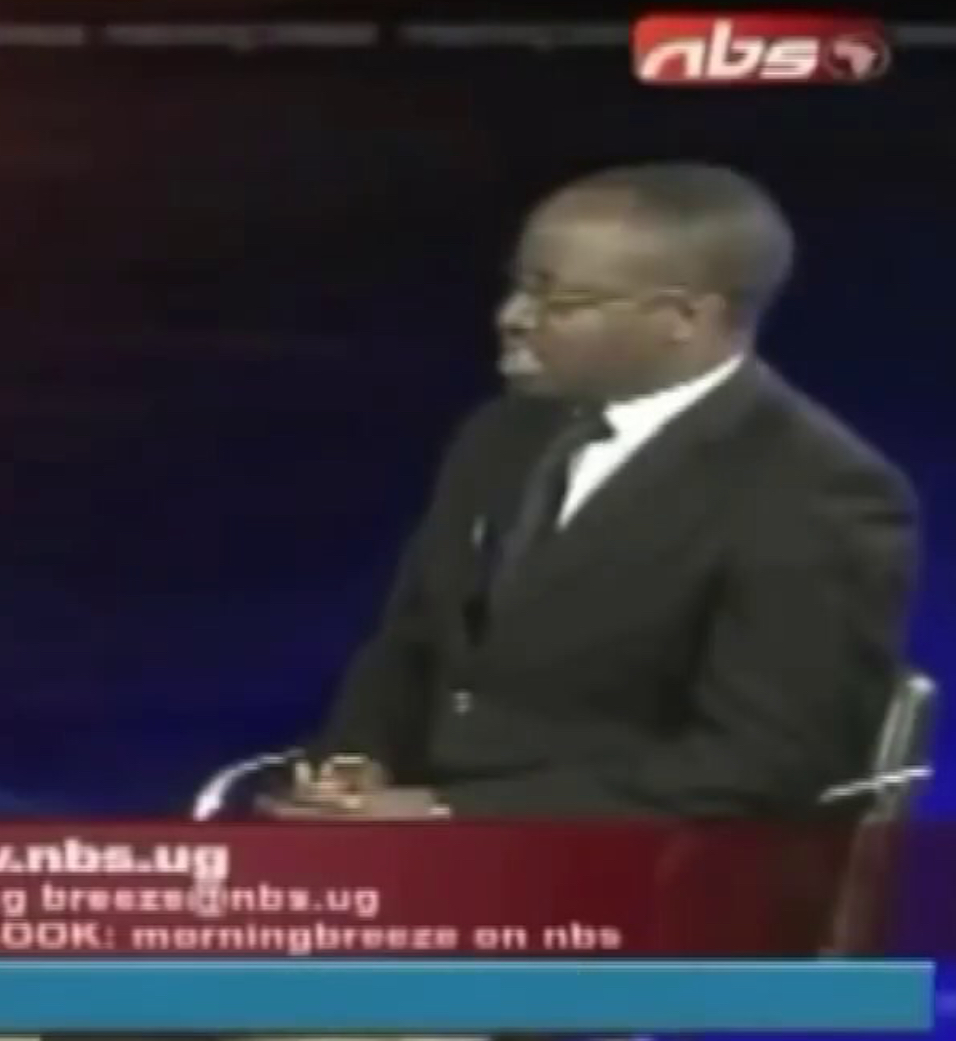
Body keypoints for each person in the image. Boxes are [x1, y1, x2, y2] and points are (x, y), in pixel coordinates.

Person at [263, 163, 919, 821]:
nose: (512, 318)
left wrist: (446, 814)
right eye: (519, 287)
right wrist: (356, 762)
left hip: (629, 861)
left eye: (560, 303)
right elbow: (412, 641)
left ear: (684, 317)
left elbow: (765, 764)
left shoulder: (817, 489)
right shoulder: (502, 433)